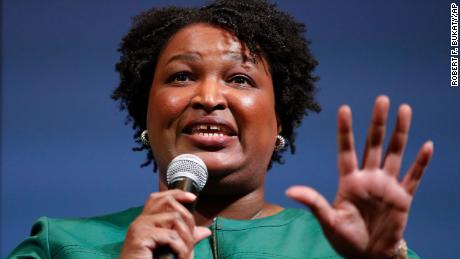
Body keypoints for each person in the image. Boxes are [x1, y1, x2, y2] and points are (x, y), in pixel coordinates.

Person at [8, 0, 433, 258]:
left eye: (240, 79)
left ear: (279, 119)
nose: (209, 96)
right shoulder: (59, 245)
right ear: (145, 113)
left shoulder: (350, 251)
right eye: (180, 77)